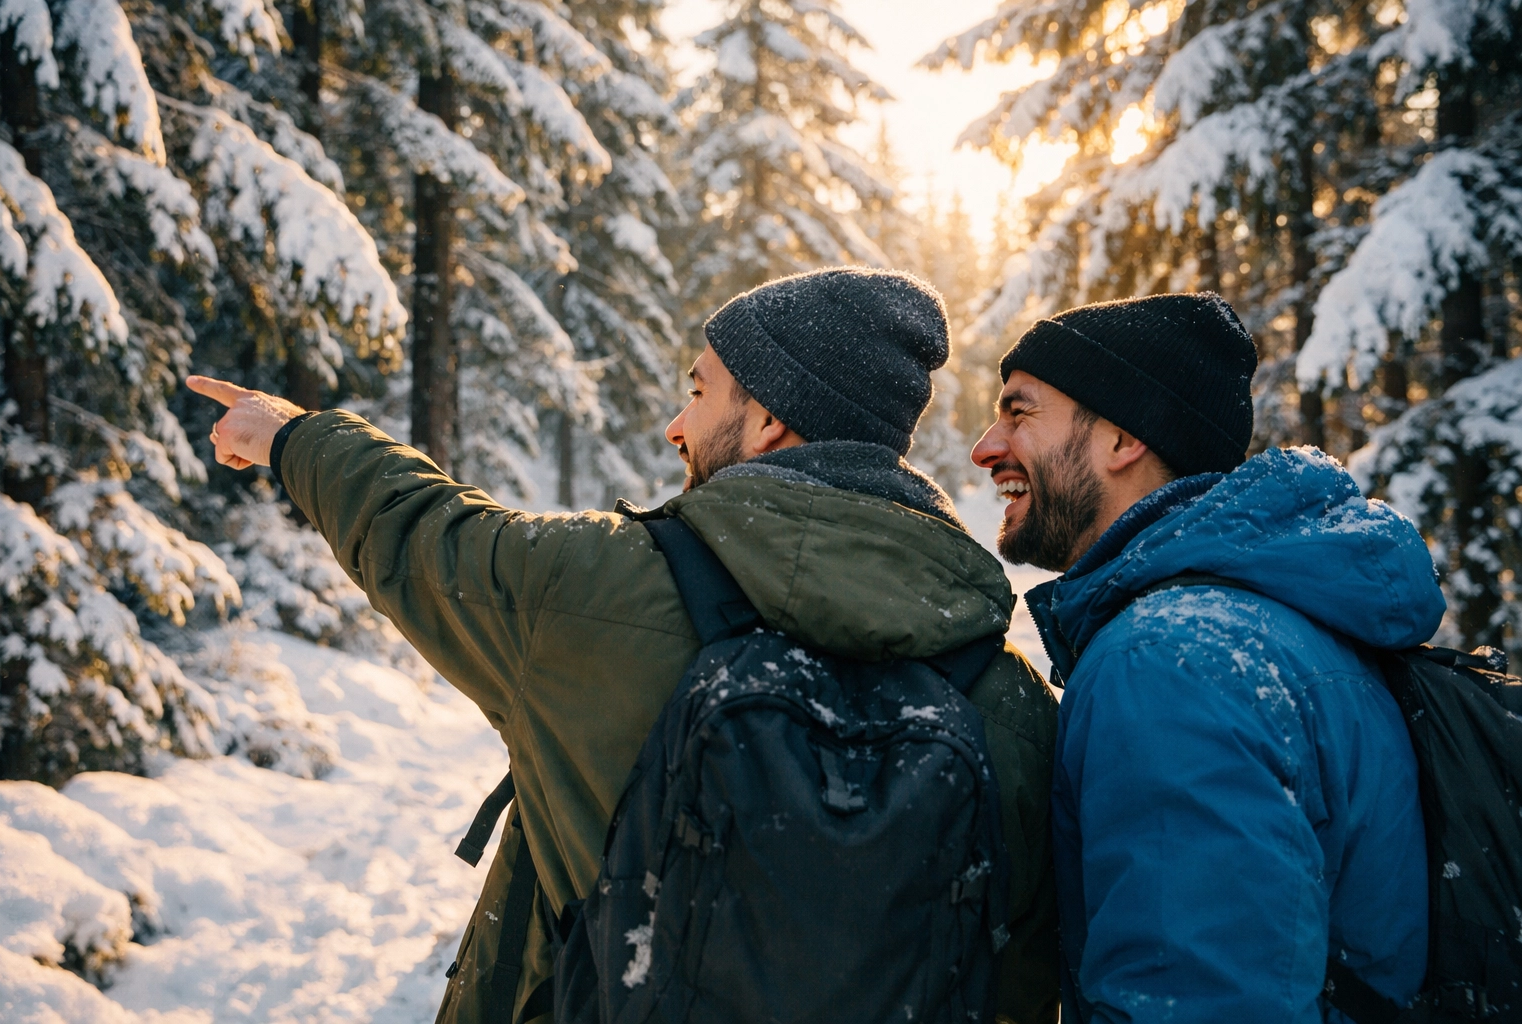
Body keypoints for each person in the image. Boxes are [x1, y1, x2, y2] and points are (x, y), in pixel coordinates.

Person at [191, 267, 1060, 1024]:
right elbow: (1017, 979)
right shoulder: (1012, 696)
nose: (679, 427)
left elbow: (422, 531)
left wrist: (288, 435)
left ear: (766, 423)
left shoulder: (588, 583)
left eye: (701, 390)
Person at [968, 291, 1442, 1023]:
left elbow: (1199, 1002)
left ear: (1123, 438)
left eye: (1020, 411)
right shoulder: (1274, 618)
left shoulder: (1169, 661)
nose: (985, 446)